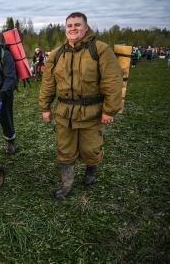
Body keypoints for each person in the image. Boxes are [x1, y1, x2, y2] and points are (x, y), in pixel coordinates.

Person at [39, 12, 122, 199]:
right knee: (65, 149)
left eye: (77, 25)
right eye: (70, 25)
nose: (73, 28)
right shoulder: (57, 54)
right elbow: (48, 83)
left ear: (86, 27)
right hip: (64, 112)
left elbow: (112, 81)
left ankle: (91, 170)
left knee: (91, 149)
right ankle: (67, 185)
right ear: (65, 29)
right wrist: (45, 107)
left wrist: (109, 110)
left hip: (92, 112)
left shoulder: (100, 49)